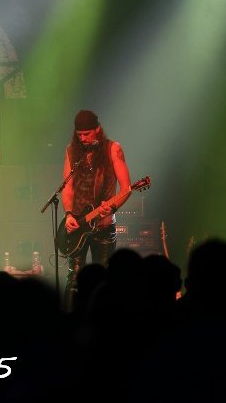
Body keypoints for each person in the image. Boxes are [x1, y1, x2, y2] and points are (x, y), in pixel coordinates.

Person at [61, 110, 131, 306]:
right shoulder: (72, 151)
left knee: (104, 279)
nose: (82, 138)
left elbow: (126, 188)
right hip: (79, 224)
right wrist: (68, 215)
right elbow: (67, 188)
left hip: (103, 225)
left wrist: (113, 207)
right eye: (79, 134)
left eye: (87, 134)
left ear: (97, 129)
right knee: (74, 278)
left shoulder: (113, 149)